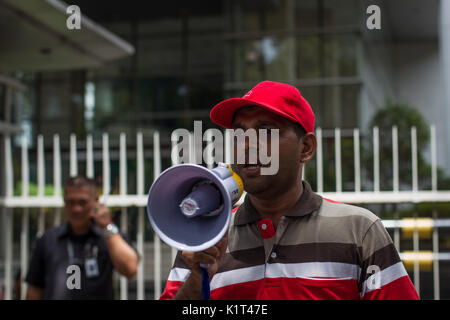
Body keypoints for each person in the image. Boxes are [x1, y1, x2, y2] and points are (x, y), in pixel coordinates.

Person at [160, 80, 419, 300]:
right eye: (239, 133)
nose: (248, 145)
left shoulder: (359, 231)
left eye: (267, 131)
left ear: (305, 148)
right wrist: (197, 279)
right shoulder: (206, 236)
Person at [25, 176, 139, 300]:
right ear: (64, 202)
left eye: (82, 202)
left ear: (95, 201)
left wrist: (107, 227)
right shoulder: (49, 238)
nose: (76, 209)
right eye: (71, 202)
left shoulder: (108, 236)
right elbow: (35, 289)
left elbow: (130, 269)